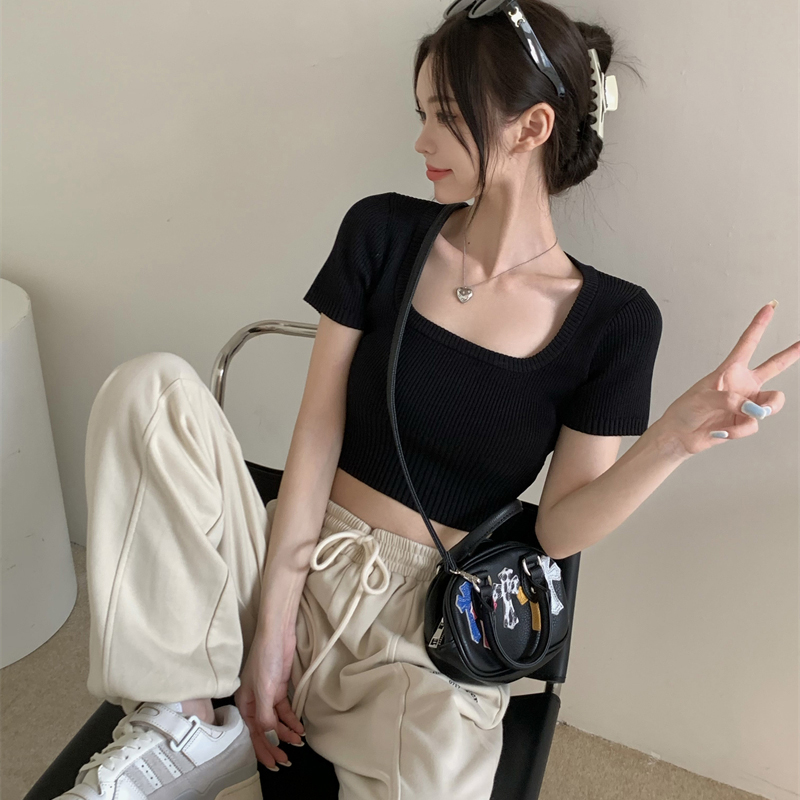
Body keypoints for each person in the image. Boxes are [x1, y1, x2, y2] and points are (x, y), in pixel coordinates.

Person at [60, 1, 798, 799]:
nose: (421, 141)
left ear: (533, 126)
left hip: (425, 630)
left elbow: (558, 530)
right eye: (422, 114)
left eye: (445, 117)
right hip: (294, 556)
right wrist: (272, 627)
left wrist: (674, 440)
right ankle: (188, 718)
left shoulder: (615, 321)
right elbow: (317, 433)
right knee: (150, 390)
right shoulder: (381, 233)